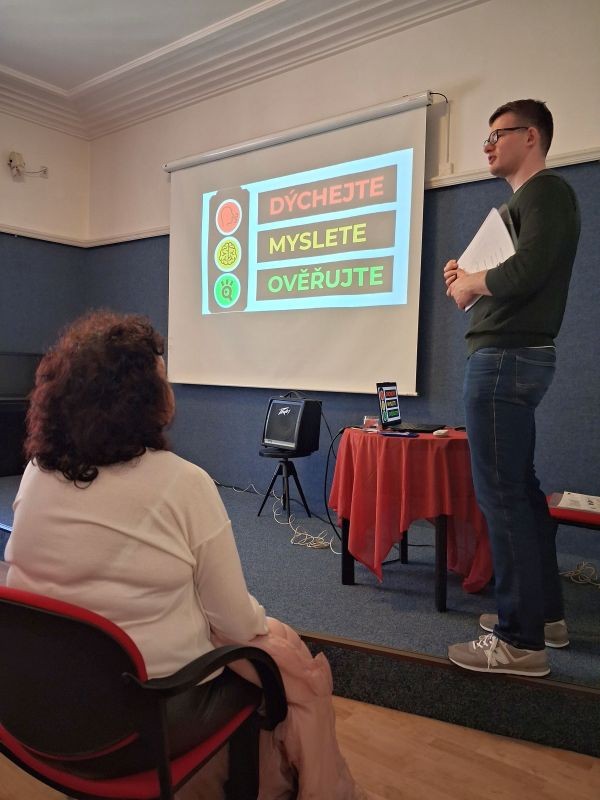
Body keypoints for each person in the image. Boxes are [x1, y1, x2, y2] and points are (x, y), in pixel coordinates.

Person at [6, 310, 359, 798]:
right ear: (144, 400)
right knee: (280, 652)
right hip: (138, 728)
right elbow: (237, 623)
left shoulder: (35, 473)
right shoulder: (183, 483)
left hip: (35, 710)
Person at [443, 100, 581, 677]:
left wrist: (473, 280)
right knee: (519, 492)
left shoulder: (546, 192)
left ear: (531, 137)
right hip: (509, 356)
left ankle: (519, 642)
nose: (488, 145)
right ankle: (542, 617)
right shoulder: (524, 204)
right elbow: (509, 275)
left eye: (497, 135)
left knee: (502, 497)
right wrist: (467, 280)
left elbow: (526, 272)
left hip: (505, 361)